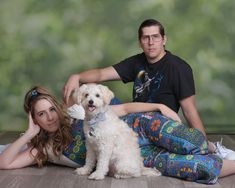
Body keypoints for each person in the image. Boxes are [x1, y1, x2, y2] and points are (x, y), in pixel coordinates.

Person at [63, 18, 235, 159]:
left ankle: (213, 148)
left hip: (157, 126)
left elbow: (190, 112)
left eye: (155, 37)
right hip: (134, 120)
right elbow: (101, 74)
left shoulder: (179, 68)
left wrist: (204, 144)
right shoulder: (136, 62)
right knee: (83, 94)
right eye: (146, 38)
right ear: (140, 42)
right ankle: (61, 140)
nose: (151, 42)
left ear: (164, 39)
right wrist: (76, 77)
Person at [1, 86, 235, 184]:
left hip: (137, 126)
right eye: (41, 114)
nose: (50, 117)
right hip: (132, 154)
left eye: (51, 109)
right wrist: (29, 133)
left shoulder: (79, 111)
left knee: (190, 140)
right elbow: (5, 162)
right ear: (34, 118)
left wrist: (161, 108)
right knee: (199, 169)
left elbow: (121, 109)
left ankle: (215, 147)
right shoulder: (42, 148)